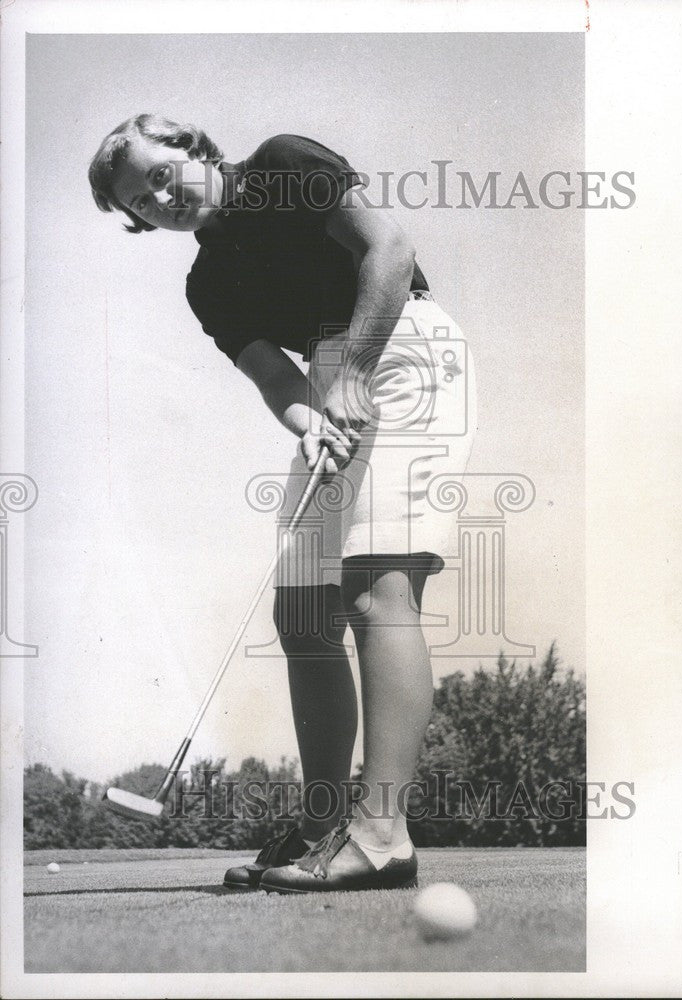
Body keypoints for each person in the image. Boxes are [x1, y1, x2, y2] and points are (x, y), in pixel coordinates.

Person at [88, 114, 476, 893]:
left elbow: (390, 253)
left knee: (376, 586)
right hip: (333, 382)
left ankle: (382, 834)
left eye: (163, 175)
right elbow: (275, 378)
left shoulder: (281, 163)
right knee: (301, 614)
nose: (163, 200)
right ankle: (323, 824)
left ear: (193, 148)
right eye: (144, 203)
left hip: (404, 352)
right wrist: (309, 423)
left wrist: (354, 373)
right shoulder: (205, 284)